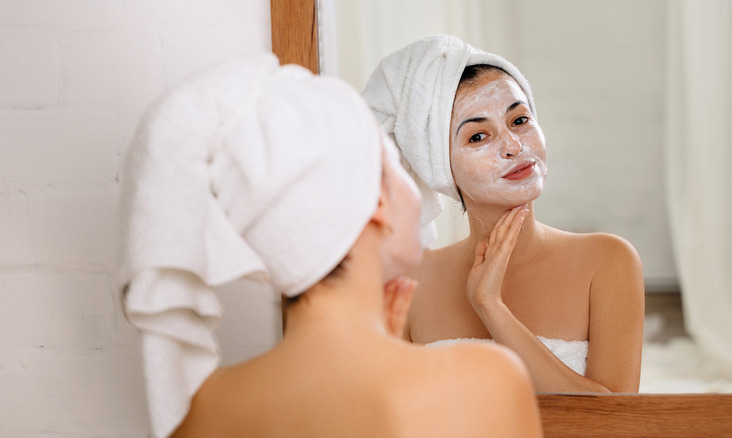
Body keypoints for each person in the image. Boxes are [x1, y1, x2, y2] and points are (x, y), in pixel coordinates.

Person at [120, 53, 542, 438]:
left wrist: (386, 345)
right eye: (396, 166)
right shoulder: (484, 382)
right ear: (376, 202)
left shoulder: (210, 408)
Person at [363, 35, 644, 393]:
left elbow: (617, 421)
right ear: (440, 164)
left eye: (520, 119)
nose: (514, 146)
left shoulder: (608, 262)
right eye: (478, 137)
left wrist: (489, 306)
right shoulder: (411, 283)